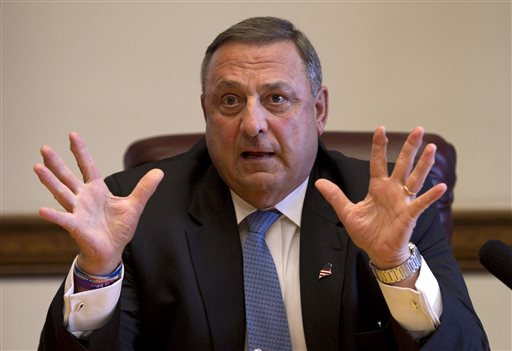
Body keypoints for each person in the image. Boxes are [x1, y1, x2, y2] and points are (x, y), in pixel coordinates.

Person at [35, 16, 488, 350]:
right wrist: (97, 274)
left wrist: (394, 266)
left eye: (277, 99)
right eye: (230, 101)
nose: (253, 124)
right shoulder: (141, 211)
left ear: (319, 109)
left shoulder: (388, 204)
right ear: (206, 113)